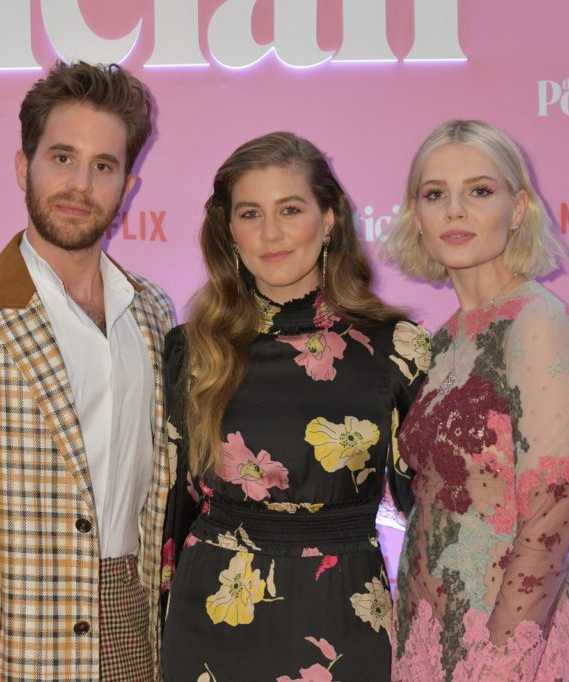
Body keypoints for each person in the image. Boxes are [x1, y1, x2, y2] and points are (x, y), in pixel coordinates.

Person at [0, 62, 175, 680]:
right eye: (61, 158)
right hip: (22, 649)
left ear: (127, 185)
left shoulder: (153, 310)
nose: (80, 184)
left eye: (103, 166)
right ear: (24, 168)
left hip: (139, 635)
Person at [159, 131, 421, 681]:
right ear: (228, 229)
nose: (271, 233)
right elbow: (171, 515)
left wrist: (547, 460)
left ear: (329, 219)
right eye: (250, 213)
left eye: (291, 209)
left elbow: (436, 501)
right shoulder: (191, 349)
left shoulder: (395, 346)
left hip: (345, 618)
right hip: (211, 618)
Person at [384, 120, 569, 680]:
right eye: (436, 195)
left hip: (504, 646)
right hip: (425, 638)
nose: (455, 211)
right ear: (417, 216)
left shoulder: (539, 322)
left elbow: (551, 512)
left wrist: (501, 660)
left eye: (479, 191)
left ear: (518, 207)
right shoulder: (443, 340)